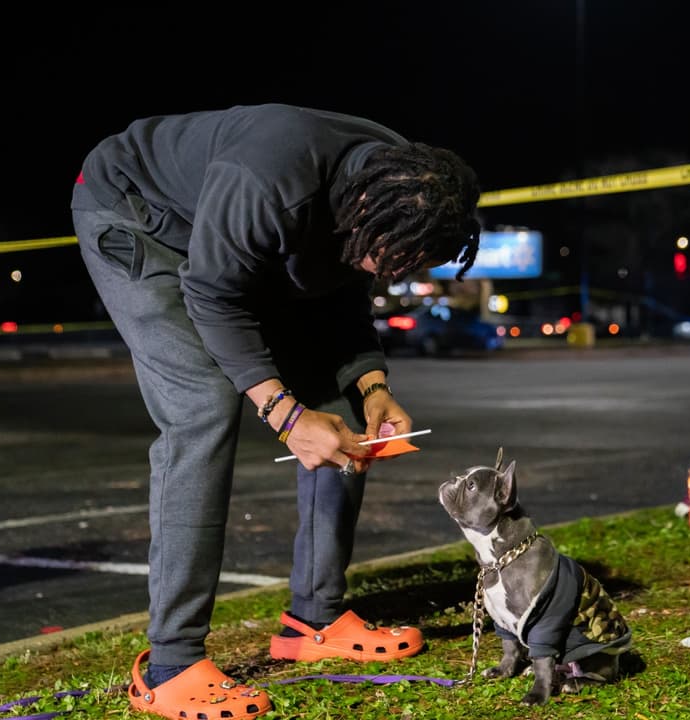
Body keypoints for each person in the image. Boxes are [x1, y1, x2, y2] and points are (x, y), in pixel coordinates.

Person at [70, 103, 481, 719]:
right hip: (140, 219)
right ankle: (170, 663)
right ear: (364, 213)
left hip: (236, 239)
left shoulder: (400, 180)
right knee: (204, 408)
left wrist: (371, 386)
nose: (393, 276)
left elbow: (341, 294)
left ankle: (313, 619)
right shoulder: (269, 179)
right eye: (391, 262)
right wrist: (286, 415)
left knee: (337, 404)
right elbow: (211, 294)